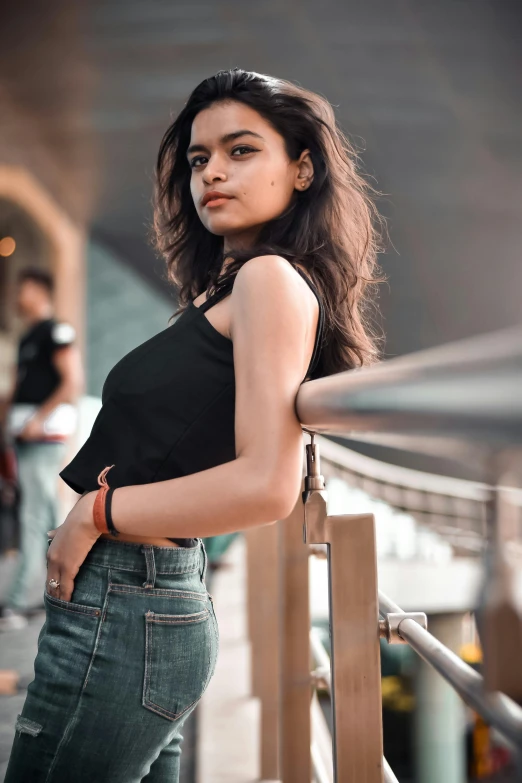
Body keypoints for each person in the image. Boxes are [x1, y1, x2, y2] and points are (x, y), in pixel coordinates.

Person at [5, 68, 383, 782]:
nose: (211, 173)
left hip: (130, 606)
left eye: (241, 151)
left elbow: (268, 484)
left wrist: (98, 511)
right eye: (199, 158)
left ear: (302, 169)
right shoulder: (231, 287)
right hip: (138, 603)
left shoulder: (270, 280)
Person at [0, 268, 83, 631]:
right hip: (23, 436)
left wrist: (38, 418)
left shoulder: (56, 331)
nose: (18, 297)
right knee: (49, 517)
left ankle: (16, 602)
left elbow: (72, 381)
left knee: (34, 516)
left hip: (43, 436)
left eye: (23, 289)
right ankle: (67, 593)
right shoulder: (28, 336)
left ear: (39, 290)